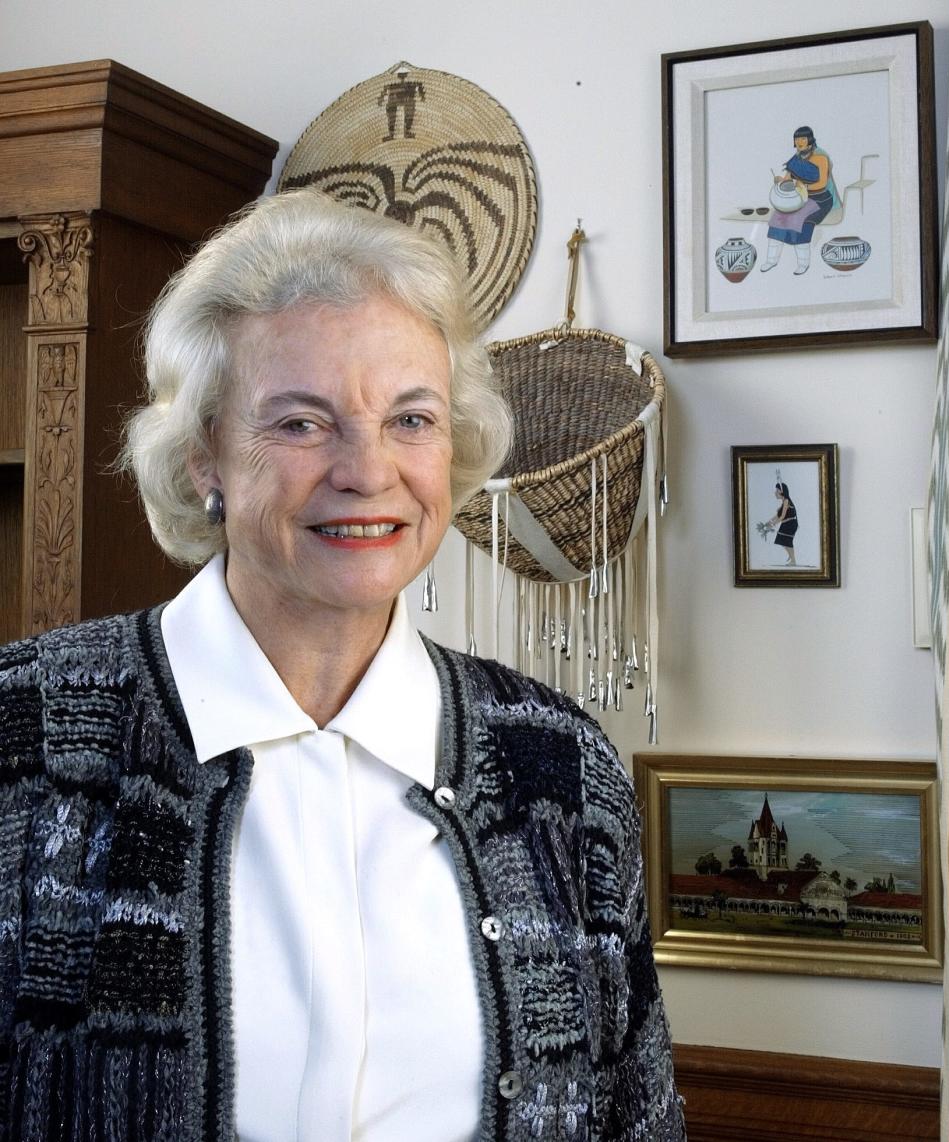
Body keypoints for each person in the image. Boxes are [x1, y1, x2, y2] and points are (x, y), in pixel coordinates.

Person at [0, 188, 686, 1141]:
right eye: (301, 422)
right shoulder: (24, 733)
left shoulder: (559, 765)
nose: (368, 470)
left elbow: (635, 1116)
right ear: (204, 456)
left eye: (411, 420)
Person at [760, 125, 839, 275]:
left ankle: (803, 264)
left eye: (803, 138)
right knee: (778, 217)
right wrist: (780, 181)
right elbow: (788, 179)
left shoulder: (820, 158)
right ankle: (771, 260)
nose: (799, 141)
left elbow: (821, 183)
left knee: (799, 219)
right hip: (798, 197)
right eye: (797, 139)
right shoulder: (795, 159)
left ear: (810, 140)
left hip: (820, 199)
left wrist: (802, 186)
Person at [766, 481, 799, 566]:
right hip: (786, 524)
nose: (775, 493)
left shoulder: (786, 501)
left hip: (790, 524)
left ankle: (793, 561)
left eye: (777, 491)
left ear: (781, 491)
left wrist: (772, 525)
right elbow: (778, 515)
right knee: (783, 541)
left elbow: (782, 516)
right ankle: (791, 557)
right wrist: (769, 522)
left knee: (787, 542)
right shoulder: (784, 501)